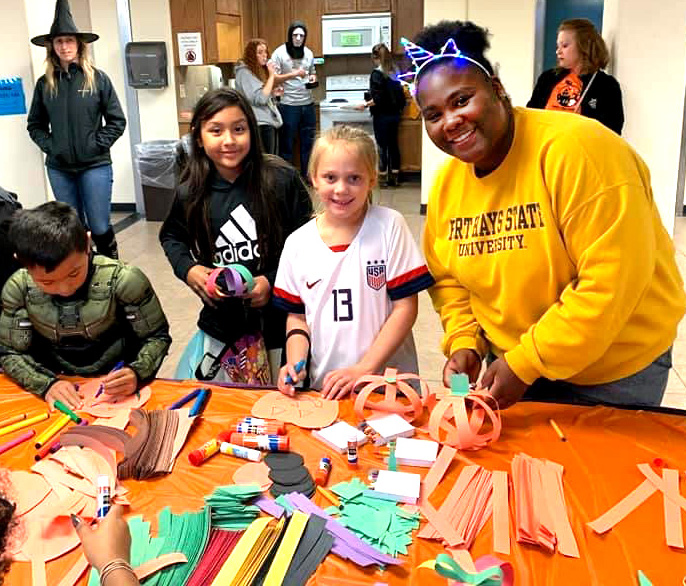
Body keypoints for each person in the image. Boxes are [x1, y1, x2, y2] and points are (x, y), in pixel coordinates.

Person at [410, 21, 685, 409]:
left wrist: (525, 363)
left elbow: (609, 284)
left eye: (461, 100)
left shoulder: (581, 151)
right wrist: (465, 341)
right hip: (515, 361)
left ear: (498, 90)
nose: (450, 121)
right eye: (433, 114)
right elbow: (450, 280)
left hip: (614, 370)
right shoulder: (447, 186)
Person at [159, 88, 312, 384]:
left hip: (284, 323)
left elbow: (307, 243)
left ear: (252, 132)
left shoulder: (281, 180)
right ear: (199, 137)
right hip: (223, 325)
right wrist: (189, 270)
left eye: (239, 129)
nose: (229, 140)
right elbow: (172, 237)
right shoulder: (190, 190)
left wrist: (271, 280)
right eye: (216, 130)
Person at [274, 125, 434, 400]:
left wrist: (365, 368)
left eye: (354, 178)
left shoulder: (389, 226)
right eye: (330, 177)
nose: (341, 189)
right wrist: (294, 362)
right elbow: (297, 317)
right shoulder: (297, 244)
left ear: (372, 179)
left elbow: (405, 308)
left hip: (388, 387)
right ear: (313, 178)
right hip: (327, 386)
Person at [0, 202, 171, 410]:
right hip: (54, 382)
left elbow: (156, 336)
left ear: (87, 243)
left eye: (73, 273)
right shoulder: (18, 288)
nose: (65, 289)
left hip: (115, 384)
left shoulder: (124, 280)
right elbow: (10, 352)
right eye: (47, 282)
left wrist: (137, 372)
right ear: (22, 262)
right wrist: (46, 385)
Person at [27, 0, 126, 259]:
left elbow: (117, 121)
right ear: (52, 47)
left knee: (100, 226)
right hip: (60, 168)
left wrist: (95, 144)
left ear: (79, 44)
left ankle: (110, 272)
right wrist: (52, 147)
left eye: (69, 40)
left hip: (95, 166)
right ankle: (82, 274)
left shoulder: (98, 79)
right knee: (73, 229)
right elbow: (35, 125)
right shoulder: (44, 84)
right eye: (59, 41)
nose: (64, 46)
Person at [527, 18, 624, 134]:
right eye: (557, 46)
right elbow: (530, 116)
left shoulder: (606, 86)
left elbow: (613, 132)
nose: (558, 51)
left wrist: (583, 121)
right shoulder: (547, 78)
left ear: (584, 46)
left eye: (565, 46)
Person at [270, 20, 318, 177]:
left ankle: (308, 176)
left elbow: (312, 72)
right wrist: (294, 74)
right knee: (287, 145)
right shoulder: (279, 53)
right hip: (288, 105)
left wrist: (312, 78)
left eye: (301, 36)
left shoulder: (309, 53)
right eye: (295, 35)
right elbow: (273, 78)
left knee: (308, 144)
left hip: (307, 104)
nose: (298, 38)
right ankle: (287, 179)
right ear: (290, 35)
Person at [358, 43, 406, 187]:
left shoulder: (376, 74)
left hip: (382, 116)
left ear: (375, 57)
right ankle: (395, 178)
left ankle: (383, 178)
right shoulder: (394, 71)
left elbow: (378, 99)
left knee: (382, 147)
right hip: (395, 115)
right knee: (393, 146)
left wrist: (364, 105)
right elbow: (400, 96)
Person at [235, 39, 283, 155]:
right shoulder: (244, 73)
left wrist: (273, 93)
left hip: (268, 121)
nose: (264, 56)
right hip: (259, 124)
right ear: (252, 55)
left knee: (272, 160)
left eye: (265, 52)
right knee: (266, 162)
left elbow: (261, 94)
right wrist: (272, 76)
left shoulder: (256, 72)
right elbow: (260, 99)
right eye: (260, 52)